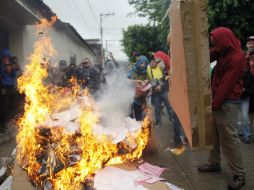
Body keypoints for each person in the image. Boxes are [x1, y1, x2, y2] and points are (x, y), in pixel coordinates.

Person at [198, 27, 246, 190]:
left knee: (229, 139)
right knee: (214, 136)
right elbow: (207, 57)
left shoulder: (237, 57)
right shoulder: (223, 52)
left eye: (215, 43)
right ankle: (214, 163)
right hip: (218, 100)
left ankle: (239, 175)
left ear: (224, 41)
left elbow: (226, 85)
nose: (214, 46)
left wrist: (213, 104)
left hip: (227, 102)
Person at [148, 51, 182, 148]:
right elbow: (151, 80)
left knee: (169, 107)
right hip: (155, 93)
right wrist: (154, 87)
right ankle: (158, 123)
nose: (157, 62)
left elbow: (167, 80)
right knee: (157, 109)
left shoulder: (166, 70)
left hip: (164, 91)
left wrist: (161, 87)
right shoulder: (151, 70)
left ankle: (173, 120)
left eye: (158, 60)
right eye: (155, 60)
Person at [0, 49, 19, 133]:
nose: (6, 59)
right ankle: (3, 124)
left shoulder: (10, 65)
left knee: (12, 104)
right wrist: (4, 69)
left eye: (7, 57)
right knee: (4, 105)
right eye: (5, 57)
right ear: (2, 58)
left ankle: (10, 123)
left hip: (11, 87)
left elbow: (14, 74)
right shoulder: (1, 66)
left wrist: (12, 69)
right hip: (4, 87)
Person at [127, 55, 149, 121]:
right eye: (142, 63)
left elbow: (147, 86)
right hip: (130, 97)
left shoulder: (145, 73)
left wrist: (144, 103)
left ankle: (138, 130)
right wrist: (139, 81)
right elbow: (128, 81)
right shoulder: (133, 70)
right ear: (138, 62)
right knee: (129, 118)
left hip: (139, 99)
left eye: (145, 63)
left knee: (139, 118)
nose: (143, 65)